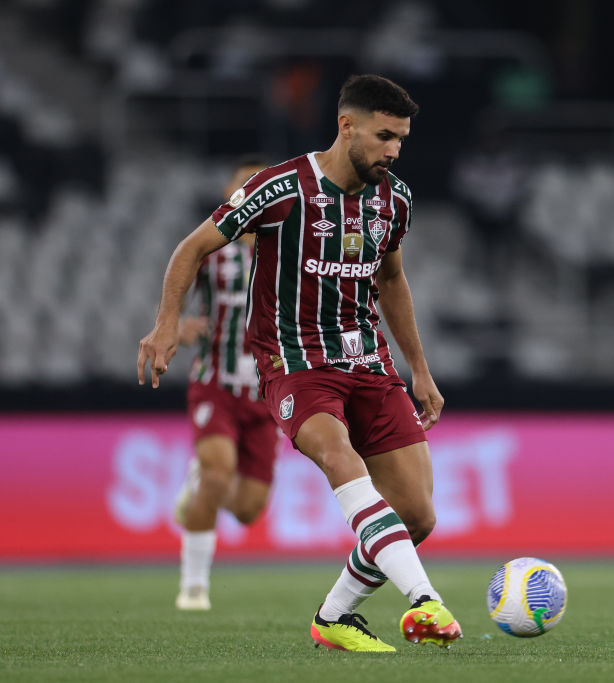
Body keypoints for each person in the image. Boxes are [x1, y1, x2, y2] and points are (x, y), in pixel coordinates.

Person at [138, 74, 461, 652]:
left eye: (402, 140)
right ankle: (425, 601)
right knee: (337, 454)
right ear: (346, 126)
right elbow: (192, 248)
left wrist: (421, 367)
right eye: (385, 136)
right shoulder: (281, 186)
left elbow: (391, 279)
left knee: (416, 515)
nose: (393, 150)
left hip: (370, 363)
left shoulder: (395, 198)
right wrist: (166, 325)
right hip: (295, 365)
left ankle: (334, 617)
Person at [173, 157, 278, 612]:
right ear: (230, 194)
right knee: (217, 475)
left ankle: (201, 486)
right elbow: (177, 278)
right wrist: (173, 323)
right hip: (215, 382)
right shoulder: (212, 248)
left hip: (265, 393)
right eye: (243, 185)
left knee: (249, 509)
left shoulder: (289, 252)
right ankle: (194, 586)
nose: (251, 193)